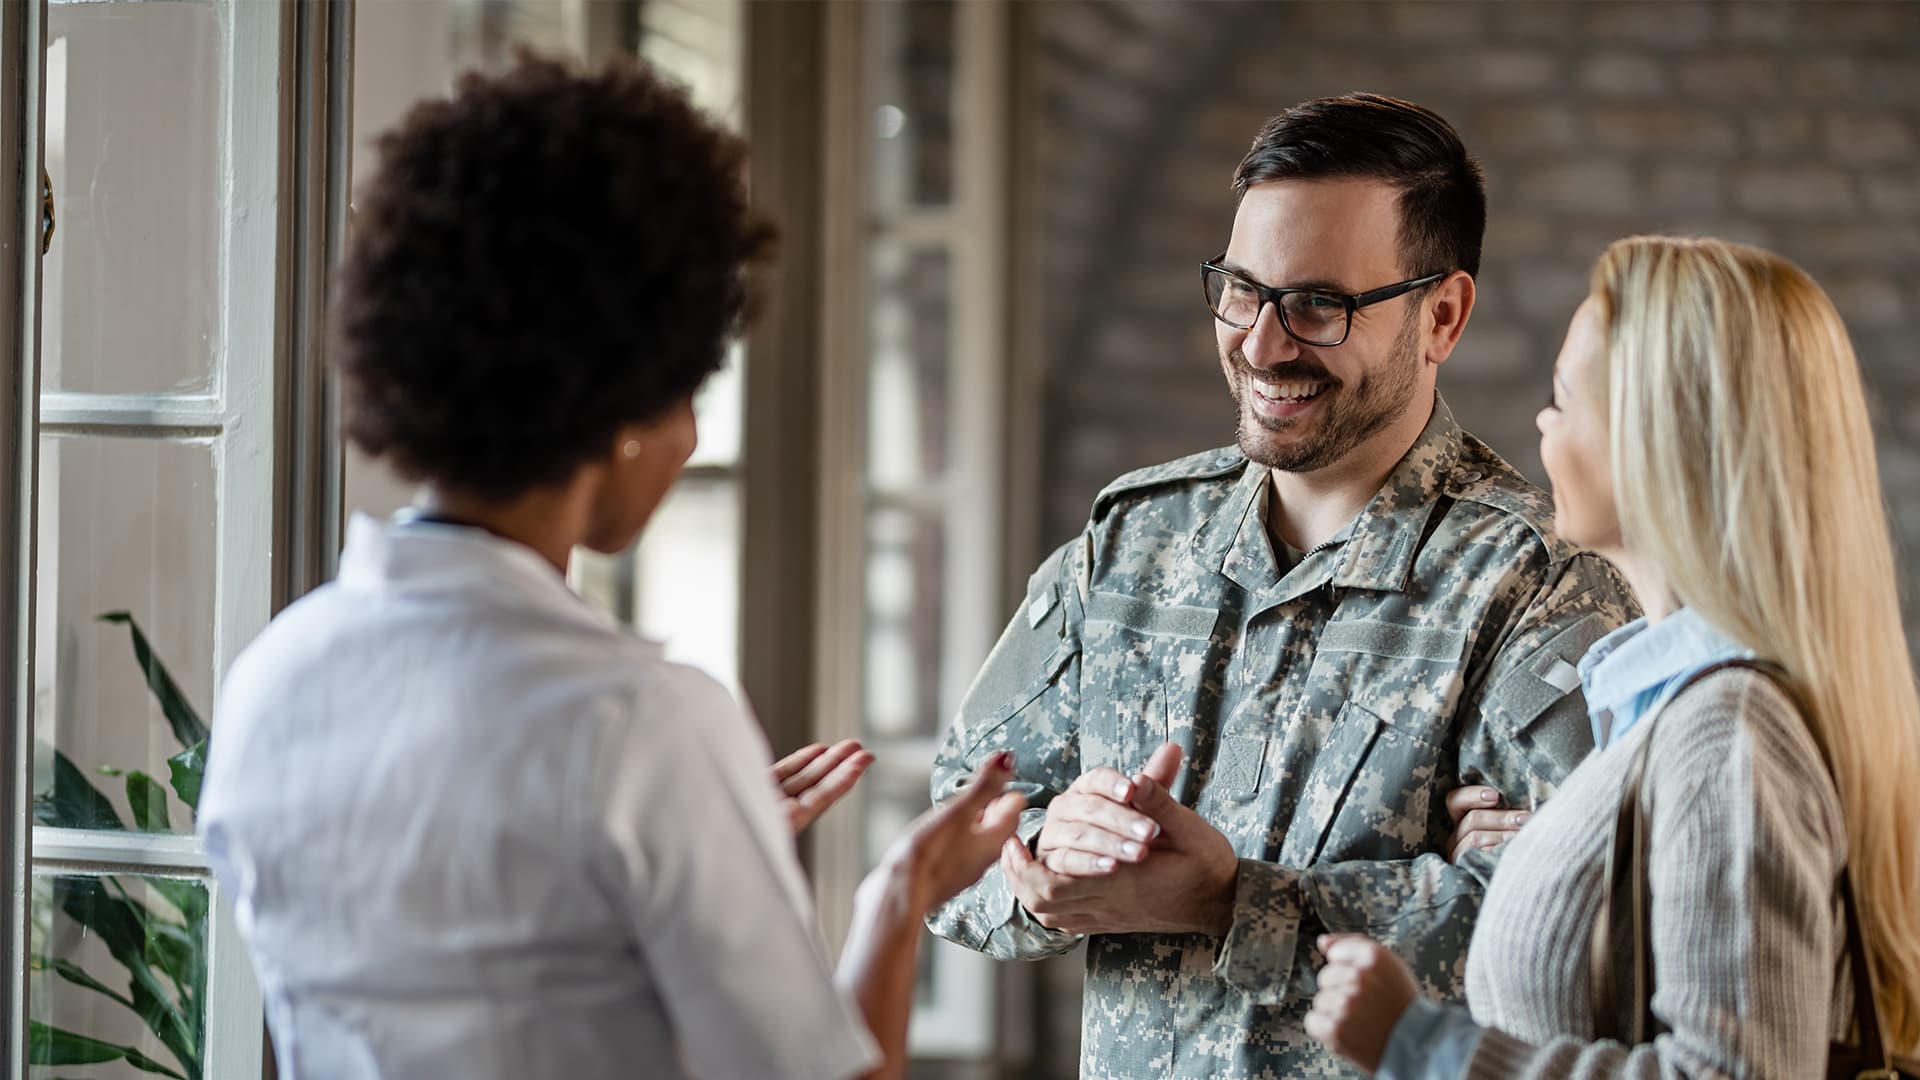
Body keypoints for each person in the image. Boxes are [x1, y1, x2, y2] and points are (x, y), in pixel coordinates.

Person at [196, 54, 1023, 1080]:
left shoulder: (275, 676)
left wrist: (681, 850)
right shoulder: (643, 724)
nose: (688, 435)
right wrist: (900, 895)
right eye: (690, 385)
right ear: (624, 400)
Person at [927, 93, 1637, 1077]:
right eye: (1240, 290)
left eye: (1318, 305)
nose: (1261, 345)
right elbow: (955, 828)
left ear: (1442, 316)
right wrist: (1046, 862)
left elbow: (1584, 941)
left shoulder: (1538, 590)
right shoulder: (1129, 541)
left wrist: (1234, 903)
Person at [1306, 235, 1920, 1077]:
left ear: (1654, 439)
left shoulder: (1726, 733)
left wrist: (1423, 1043)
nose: (1542, 423)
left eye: (1564, 398)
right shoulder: (1671, 715)